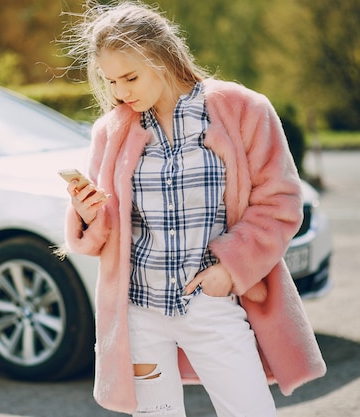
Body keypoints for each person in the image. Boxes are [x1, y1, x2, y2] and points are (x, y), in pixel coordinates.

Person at [60, 2, 326, 416]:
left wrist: (230, 270)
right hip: (138, 312)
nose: (120, 93)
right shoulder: (110, 132)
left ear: (162, 58)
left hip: (212, 302)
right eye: (110, 81)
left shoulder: (243, 110)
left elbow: (280, 203)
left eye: (130, 77)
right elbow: (108, 231)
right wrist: (88, 212)